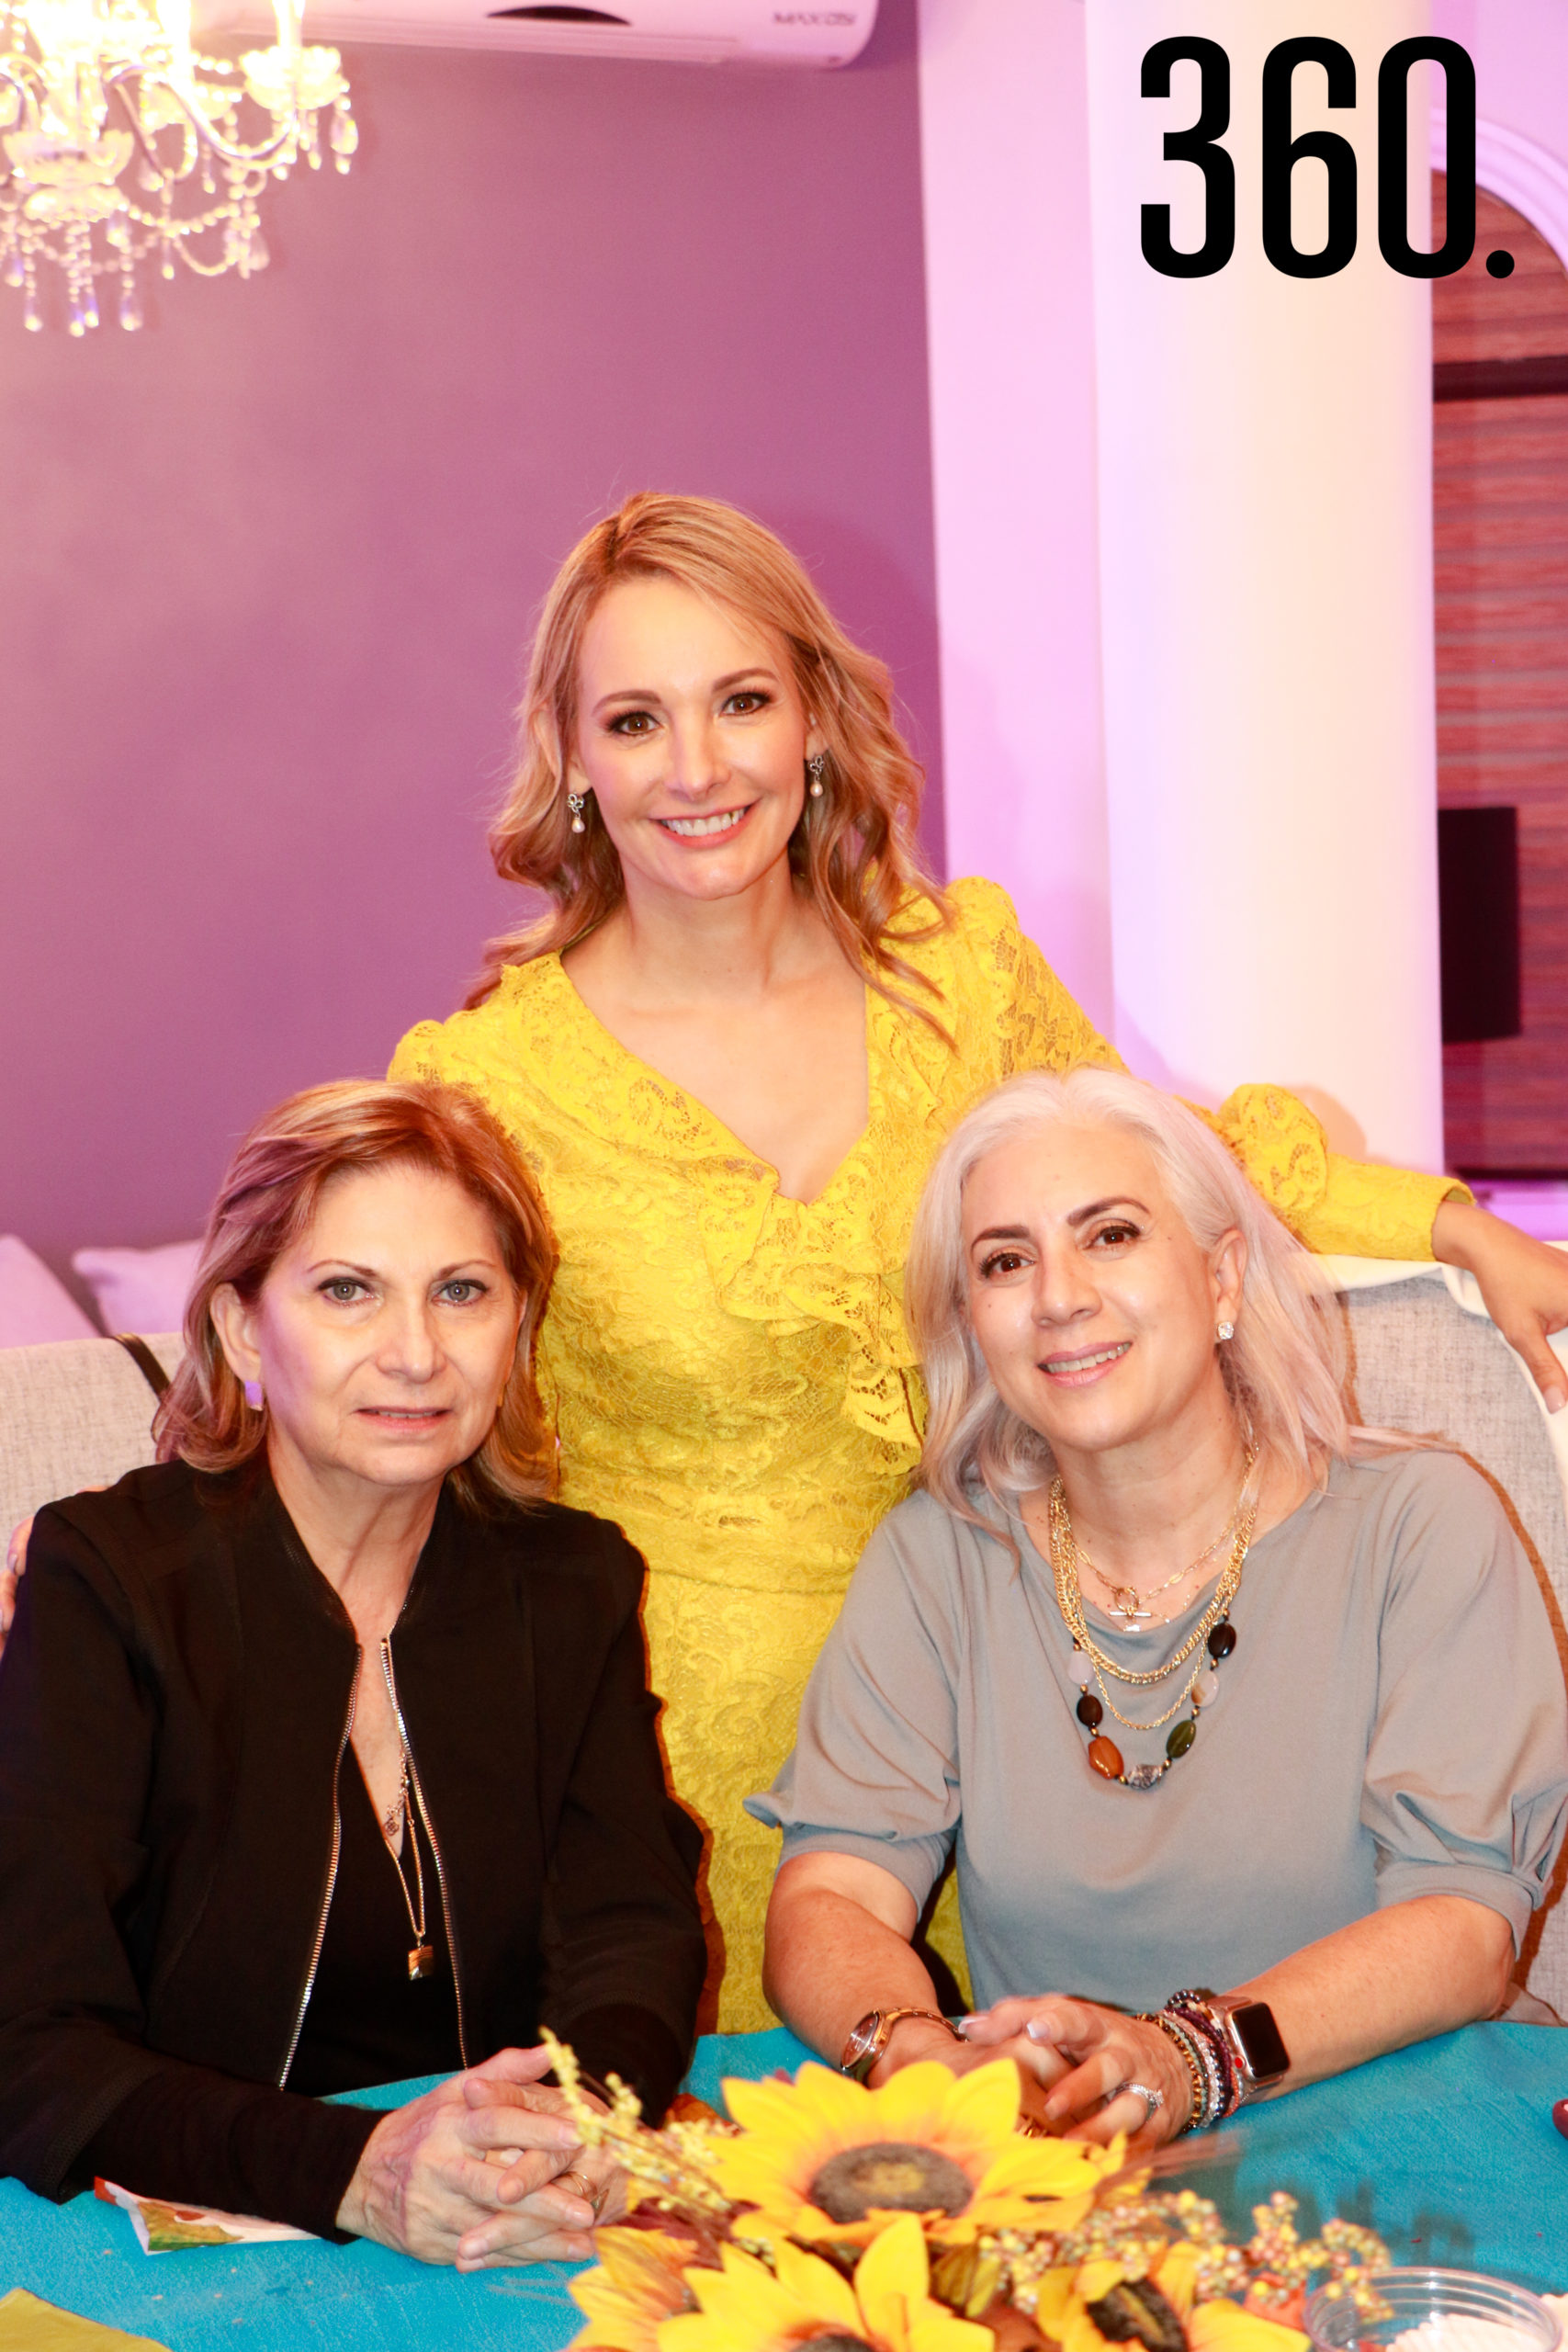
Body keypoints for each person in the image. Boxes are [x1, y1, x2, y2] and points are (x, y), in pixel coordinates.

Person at [388, 492, 1568, 2031]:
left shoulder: (961, 981)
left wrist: (1447, 1221)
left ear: (812, 715)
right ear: (576, 760)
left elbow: (1161, 1162)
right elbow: (377, 1369)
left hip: (1021, 1696)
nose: (696, 767)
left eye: (741, 700)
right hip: (657, 1769)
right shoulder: (490, 1082)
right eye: (635, 718)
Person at [751, 1067, 1568, 2143]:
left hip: (1409, 2143)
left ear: (1223, 1276)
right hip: (1071, 2174)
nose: (1059, 1296)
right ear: (976, 1325)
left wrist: (1196, 2058)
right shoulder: (939, 1556)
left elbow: (1461, 1927)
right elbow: (831, 1900)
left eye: (1113, 1235)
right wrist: (916, 2052)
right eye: (1006, 1260)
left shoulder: (1423, 1524)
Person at [0, 1081, 705, 2265]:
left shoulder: (572, 1581)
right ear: (239, 1329)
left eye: (462, 1293)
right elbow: (28, 2036)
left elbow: (630, 1926)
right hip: (196, 2233)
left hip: (504, 2214)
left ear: (516, 1325)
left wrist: (582, 2115)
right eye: (346, 1291)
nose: (416, 1352)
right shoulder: (107, 1579)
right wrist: (361, 2175)